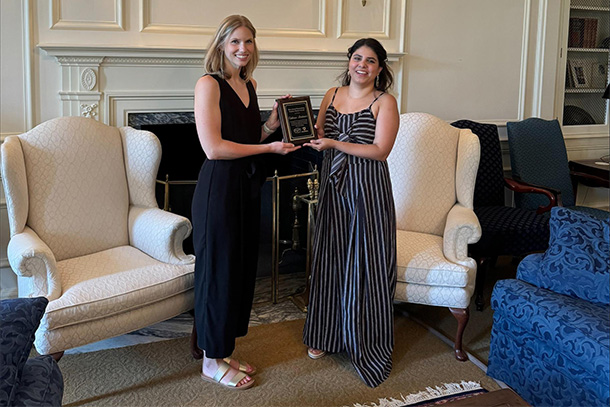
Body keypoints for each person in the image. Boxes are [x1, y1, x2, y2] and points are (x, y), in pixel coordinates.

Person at [191, 14, 299, 390]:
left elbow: (248, 136)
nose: (242, 48)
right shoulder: (209, 84)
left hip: (245, 187)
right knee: (218, 273)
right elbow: (215, 147)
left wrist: (270, 124)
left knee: (239, 272)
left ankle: (223, 349)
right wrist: (268, 146)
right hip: (218, 189)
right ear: (221, 44)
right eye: (235, 41)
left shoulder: (249, 84)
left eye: (249, 41)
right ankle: (209, 359)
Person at [302, 38, 399, 388]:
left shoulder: (384, 102)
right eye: (357, 58)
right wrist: (290, 124)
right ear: (349, 61)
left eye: (370, 61)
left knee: (365, 262)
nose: (362, 65)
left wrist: (333, 143)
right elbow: (316, 134)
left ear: (380, 68)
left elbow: (380, 150)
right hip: (332, 187)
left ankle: (363, 339)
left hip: (366, 191)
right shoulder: (331, 94)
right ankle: (326, 335)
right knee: (330, 257)